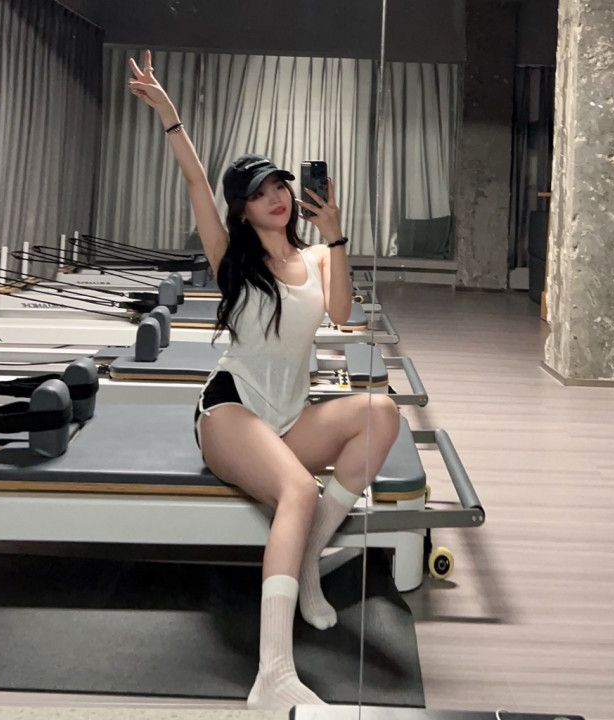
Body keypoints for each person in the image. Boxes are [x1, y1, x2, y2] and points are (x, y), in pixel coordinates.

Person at [128, 51, 400, 710]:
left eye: (279, 185)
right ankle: (272, 675)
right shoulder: (232, 259)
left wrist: (336, 237)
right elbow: (196, 179)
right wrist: (171, 117)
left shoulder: (316, 255)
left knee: (382, 413)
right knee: (297, 490)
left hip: (289, 416)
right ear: (243, 210)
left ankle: (307, 558)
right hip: (231, 413)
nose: (275, 196)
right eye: (258, 192)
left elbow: (342, 315)